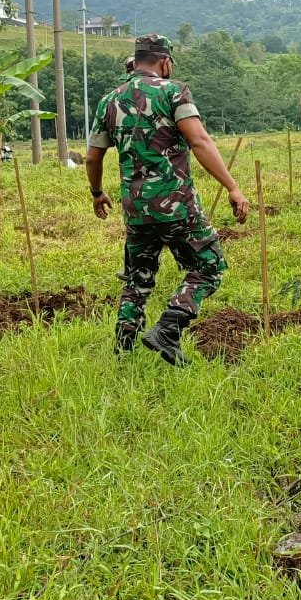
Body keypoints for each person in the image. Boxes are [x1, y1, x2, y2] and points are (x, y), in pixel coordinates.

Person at [86, 34, 250, 365]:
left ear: (135, 61)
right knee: (209, 266)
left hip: (135, 209)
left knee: (137, 279)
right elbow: (199, 141)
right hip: (176, 205)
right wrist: (232, 187)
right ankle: (168, 329)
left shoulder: (108, 101)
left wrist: (97, 192)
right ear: (164, 61)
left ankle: (123, 351)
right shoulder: (174, 92)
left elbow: (92, 157)